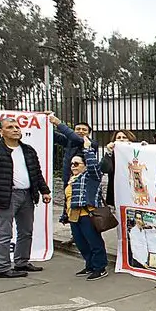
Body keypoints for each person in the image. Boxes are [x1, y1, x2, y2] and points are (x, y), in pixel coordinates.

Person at [0, 117, 52, 278]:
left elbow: (36, 173)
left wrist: (44, 191)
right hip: (6, 196)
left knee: (26, 231)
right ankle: (2, 268)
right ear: (1, 132)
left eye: (17, 126)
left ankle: (21, 262)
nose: (16, 129)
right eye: (10, 127)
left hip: (27, 195)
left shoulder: (28, 150)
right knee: (4, 233)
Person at [60, 137, 108, 280]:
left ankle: (100, 267)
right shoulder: (71, 180)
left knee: (94, 242)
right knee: (81, 243)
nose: (73, 166)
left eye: (77, 163)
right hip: (74, 216)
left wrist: (88, 150)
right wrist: (65, 216)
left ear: (85, 166)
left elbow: (94, 167)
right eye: (72, 164)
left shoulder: (90, 176)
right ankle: (90, 265)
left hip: (88, 215)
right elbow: (68, 200)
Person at [52, 119, 97, 186]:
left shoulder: (92, 143)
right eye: (78, 129)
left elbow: (77, 139)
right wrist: (46, 121)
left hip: (84, 180)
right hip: (68, 179)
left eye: (84, 130)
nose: (81, 131)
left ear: (89, 133)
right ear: (74, 131)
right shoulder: (69, 142)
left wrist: (59, 124)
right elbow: (54, 136)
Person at [100, 130, 138, 208]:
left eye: (124, 137)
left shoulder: (137, 154)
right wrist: (108, 152)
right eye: (118, 138)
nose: (121, 139)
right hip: (116, 195)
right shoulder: (111, 155)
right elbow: (104, 168)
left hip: (134, 194)